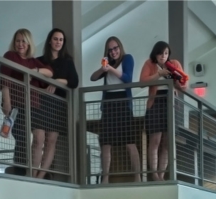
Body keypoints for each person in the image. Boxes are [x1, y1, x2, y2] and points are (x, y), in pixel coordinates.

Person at [0, 29, 54, 176]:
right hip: (17, 103)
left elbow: (49, 71)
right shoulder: (10, 56)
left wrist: (35, 70)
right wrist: (7, 102)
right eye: (18, 41)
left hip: (34, 104)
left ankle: (33, 175)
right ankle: (21, 172)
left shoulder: (32, 61)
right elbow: (5, 80)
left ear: (29, 43)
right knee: (22, 138)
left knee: (38, 138)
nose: (21, 44)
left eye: (24, 41)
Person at [90, 36, 140, 183]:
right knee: (106, 142)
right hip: (109, 103)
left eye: (115, 48)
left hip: (123, 101)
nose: (113, 52)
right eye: (110, 49)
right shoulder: (108, 64)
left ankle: (138, 177)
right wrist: (102, 69)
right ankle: (105, 178)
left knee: (129, 141)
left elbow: (127, 78)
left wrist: (111, 69)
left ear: (120, 47)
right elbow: (93, 78)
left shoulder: (127, 59)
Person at [35, 27, 79, 180]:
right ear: (49, 41)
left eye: (61, 40)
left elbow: (74, 82)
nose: (58, 42)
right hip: (41, 101)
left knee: (51, 140)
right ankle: (33, 173)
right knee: (38, 138)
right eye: (55, 39)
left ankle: (41, 175)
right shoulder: (40, 60)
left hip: (58, 104)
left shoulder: (67, 61)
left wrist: (59, 81)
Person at [140, 41, 187, 182]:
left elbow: (183, 86)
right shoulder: (149, 64)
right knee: (155, 140)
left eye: (166, 53)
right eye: (161, 53)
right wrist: (159, 74)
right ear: (156, 53)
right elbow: (142, 81)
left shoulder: (174, 64)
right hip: (155, 102)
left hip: (171, 102)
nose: (163, 56)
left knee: (167, 142)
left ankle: (161, 175)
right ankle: (154, 174)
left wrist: (175, 78)